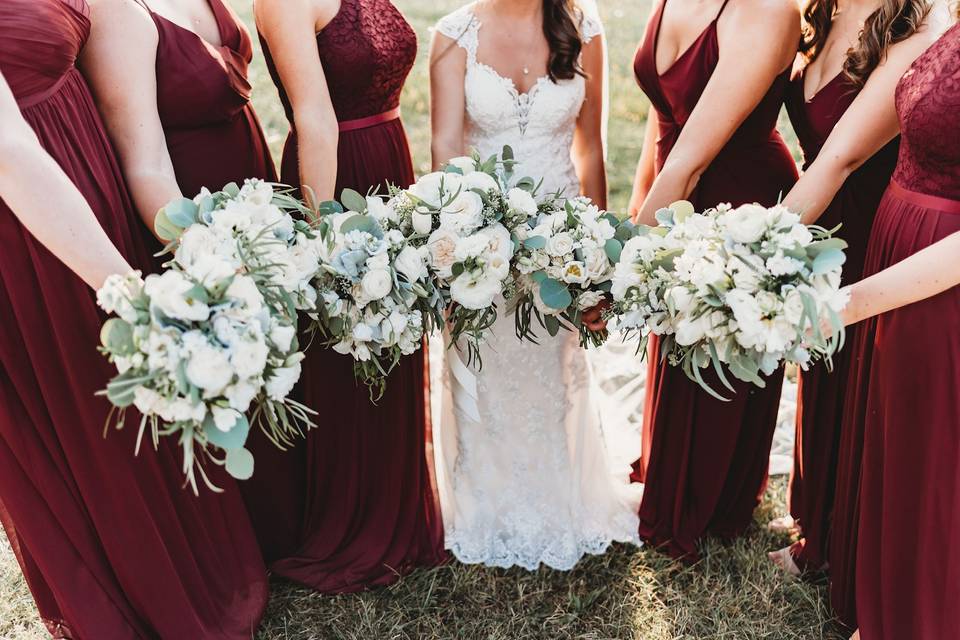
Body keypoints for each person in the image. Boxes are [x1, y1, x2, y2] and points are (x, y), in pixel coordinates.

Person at [0, 1, 267, 636]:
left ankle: (193, 573)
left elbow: (137, 136)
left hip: (94, 190)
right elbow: (8, 151)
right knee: (86, 410)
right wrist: (126, 290)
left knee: (140, 403)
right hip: (22, 222)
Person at [79, 0, 300, 563]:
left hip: (246, 186)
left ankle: (298, 503)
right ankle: (252, 531)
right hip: (187, 209)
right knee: (228, 355)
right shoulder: (114, 11)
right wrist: (206, 254)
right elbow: (142, 162)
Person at [429, 0, 642, 571]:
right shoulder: (453, 36)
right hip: (481, 243)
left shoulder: (584, 26)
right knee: (484, 371)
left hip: (561, 245)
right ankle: (484, 508)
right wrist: (461, 243)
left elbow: (591, 147)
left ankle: (558, 501)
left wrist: (596, 261)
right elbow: (445, 149)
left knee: (553, 374)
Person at [255, 0, 446, 592]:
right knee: (348, 340)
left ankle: (399, 508)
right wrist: (323, 242)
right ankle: (352, 520)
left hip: (391, 165)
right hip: (335, 177)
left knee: (393, 332)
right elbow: (315, 119)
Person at [764, 0, 939, 628]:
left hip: (902, 252)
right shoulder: (903, 20)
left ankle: (880, 577)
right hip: (855, 235)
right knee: (854, 407)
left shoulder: (915, 20)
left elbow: (841, 158)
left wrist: (838, 303)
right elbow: (822, 151)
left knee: (897, 419)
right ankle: (845, 549)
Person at [629, 0, 800, 558]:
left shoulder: (769, 11)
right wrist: (637, 215)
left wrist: (627, 263)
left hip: (735, 207)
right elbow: (664, 123)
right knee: (672, 335)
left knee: (714, 359)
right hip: (671, 191)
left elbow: (692, 161)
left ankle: (710, 500)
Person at [836, 12, 958, 639]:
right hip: (899, 260)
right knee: (901, 437)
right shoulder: (945, 20)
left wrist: (850, 302)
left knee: (936, 451)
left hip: (944, 284)